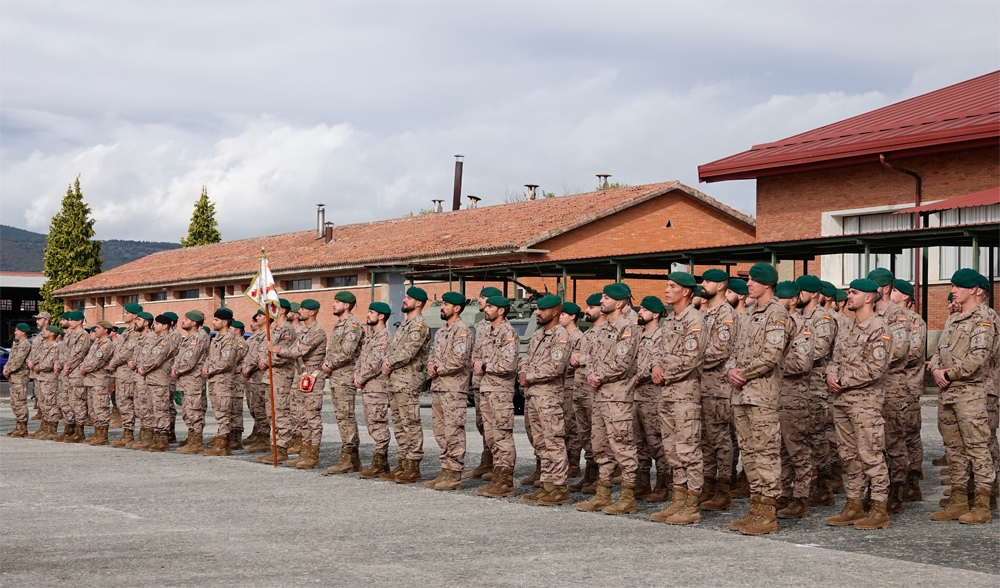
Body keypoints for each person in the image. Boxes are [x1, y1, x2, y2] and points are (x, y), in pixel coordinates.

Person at [726, 263, 794, 535]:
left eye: (753, 280)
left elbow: (771, 355)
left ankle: (768, 511)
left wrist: (742, 373)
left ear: (767, 284)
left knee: (766, 453)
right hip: (741, 394)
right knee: (750, 453)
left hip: (761, 394)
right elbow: (734, 349)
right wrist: (730, 369)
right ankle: (755, 507)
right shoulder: (747, 313)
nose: (749, 285)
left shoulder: (777, 314)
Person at [825, 278, 893, 530]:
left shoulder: (879, 327)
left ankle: (878, 507)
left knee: (871, 454)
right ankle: (854, 503)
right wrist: (831, 375)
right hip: (842, 401)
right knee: (848, 455)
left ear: (868, 298)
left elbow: (876, 367)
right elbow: (835, 357)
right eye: (848, 292)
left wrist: (843, 379)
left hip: (865, 403)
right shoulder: (847, 326)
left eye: (853, 292)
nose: (848, 296)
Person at [929, 269, 995, 524]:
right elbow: (939, 350)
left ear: (976, 290)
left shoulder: (983, 320)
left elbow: (978, 358)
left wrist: (948, 373)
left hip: (969, 395)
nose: (954, 290)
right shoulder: (954, 318)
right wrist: (935, 369)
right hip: (948, 394)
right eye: (953, 285)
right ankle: (958, 502)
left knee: (977, 449)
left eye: (959, 286)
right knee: (953, 450)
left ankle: (982, 504)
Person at [577, 283, 641, 515]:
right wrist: (591, 374)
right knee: (600, 446)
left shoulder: (629, 326)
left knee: (622, 445)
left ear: (620, 302)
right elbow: (591, 357)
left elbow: (623, 363)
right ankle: (602, 495)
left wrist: (599, 375)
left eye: (605, 298)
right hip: (600, 395)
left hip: (618, 396)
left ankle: (627, 497)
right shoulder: (604, 328)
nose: (601, 301)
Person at [648, 273, 706, 524]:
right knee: (672, 449)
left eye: (673, 286)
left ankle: (692, 504)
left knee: (688, 448)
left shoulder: (695, 319)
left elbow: (691, 358)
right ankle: (678, 499)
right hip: (667, 393)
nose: (667, 290)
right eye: (667, 285)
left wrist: (665, 372)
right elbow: (659, 351)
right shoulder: (670, 319)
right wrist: (656, 366)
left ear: (686, 292)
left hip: (684, 393)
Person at [867, 268, 912, 515]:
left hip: (892, 387)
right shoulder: (868, 314)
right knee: (873, 443)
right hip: (872, 389)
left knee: (893, 441)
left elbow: (899, 350)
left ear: (884, 288)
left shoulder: (897, 315)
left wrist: (867, 360)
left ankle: (896, 491)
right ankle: (874, 491)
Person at [520, 294, 572, 506]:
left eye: (542, 310)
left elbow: (555, 367)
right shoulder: (538, 334)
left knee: (554, 442)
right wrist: (523, 369)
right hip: (533, 396)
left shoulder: (561, 335)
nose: (537, 312)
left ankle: (559, 488)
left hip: (549, 397)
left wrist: (528, 376)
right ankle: (546, 486)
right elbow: (527, 357)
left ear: (554, 312)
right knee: (540, 443)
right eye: (537, 309)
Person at [795, 275, 839, 506]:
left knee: (817, 436)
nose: (797, 294)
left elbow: (819, 349)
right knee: (800, 436)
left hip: (815, 387)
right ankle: (806, 482)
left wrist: (791, 357)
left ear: (814, 294)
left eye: (801, 290)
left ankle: (823, 485)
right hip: (798, 386)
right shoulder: (797, 317)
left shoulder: (821, 318)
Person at [381, 287, 432, 483]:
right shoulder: (404, 325)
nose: (404, 300)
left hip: (408, 381)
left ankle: (413, 466)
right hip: (395, 381)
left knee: (410, 423)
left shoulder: (418, 325)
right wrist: (387, 362)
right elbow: (394, 348)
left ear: (418, 303)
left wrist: (389, 363)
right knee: (399, 424)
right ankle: (402, 463)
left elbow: (408, 352)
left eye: (409, 298)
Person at [424, 292, 474, 490]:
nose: (441, 307)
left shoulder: (462, 331)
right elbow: (433, 354)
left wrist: (437, 369)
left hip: (454, 390)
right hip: (438, 388)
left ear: (457, 308)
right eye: (442, 303)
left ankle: (454, 475)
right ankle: (445, 470)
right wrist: (430, 366)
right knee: (440, 431)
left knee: (453, 432)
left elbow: (459, 360)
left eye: (446, 304)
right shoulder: (442, 331)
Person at [270, 299, 327, 469]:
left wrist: (276, 350)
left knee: (311, 417)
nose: (299, 311)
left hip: (312, 378)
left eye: (303, 309)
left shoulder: (317, 331)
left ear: (312, 312)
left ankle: (313, 454)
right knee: (300, 416)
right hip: (300, 376)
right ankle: (305, 451)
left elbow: (298, 351)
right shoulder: (302, 330)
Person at [698, 269, 737, 511]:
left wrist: (689, 360)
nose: (702, 285)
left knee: (720, 440)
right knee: (705, 440)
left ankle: (725, 491)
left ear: (721, 285)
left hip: (718, 387)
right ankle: (709, 487)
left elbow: (719, 351)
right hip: (701, 386)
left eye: (707, 281)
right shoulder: (705, 313)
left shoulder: (726, 314)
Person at [774, 282, 814, 518]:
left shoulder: (802, 326)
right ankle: (784, 493)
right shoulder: (775, 324)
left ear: (792, 300)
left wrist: (771, 363)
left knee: (797, 449)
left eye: (780, 299)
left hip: (793, 397)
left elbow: (801, 363)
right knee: (780, 451)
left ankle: (801, 497)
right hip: (774, 395)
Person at [475, 295, 520, 498]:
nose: (486, 309)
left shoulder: (507, 332)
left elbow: (508, 364)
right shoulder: (488, 332)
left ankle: (506, 481)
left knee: (502, 435)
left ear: (501, 310)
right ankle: (498, 476)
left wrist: (485, 366)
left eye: (491, 306)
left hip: (500, 391)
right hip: (486, 389)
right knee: (492, 435)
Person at [890, 280, 928, 502]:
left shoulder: (915, 321)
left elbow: (913, 353)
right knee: (894, 436)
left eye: (895, 290)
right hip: (891, 387)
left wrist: (885, 358)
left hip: (908, 386)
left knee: (911, 434)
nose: (890, 293)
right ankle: (898, 478)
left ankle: (913, 481)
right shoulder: (884, 317)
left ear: (905, 297)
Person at [321, 291, 366, 474]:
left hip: (345, 376)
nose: (333, 304)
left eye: (337, 302)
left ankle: (348, 457)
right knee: (341, 417)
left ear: (346, 305)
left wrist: (329, 364)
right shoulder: (340, 325)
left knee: (345, 417)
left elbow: (347, 352)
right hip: (336, 376)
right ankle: (352, 459)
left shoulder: (352, 325)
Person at [567, 294, 606, 494]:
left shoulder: (608, 331)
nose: (587, 311)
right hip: (580, 391)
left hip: (594, 393)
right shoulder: (589, 333)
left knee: (599, 436)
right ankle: (589, 474)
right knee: (584, 436)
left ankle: (601, 477)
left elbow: (607, 356)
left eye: (591, 307)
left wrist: (582, 358)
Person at [633, 296, 669, 502]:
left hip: (652, 396)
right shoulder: (637, 334)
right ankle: (643, 482)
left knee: (656, 441)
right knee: (638, 443)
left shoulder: (661, 335)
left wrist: (640, 377)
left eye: (644, 309)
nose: (640, 311)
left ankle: (663, 484)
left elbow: (659, 362)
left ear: (655, 314)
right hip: (635, 396)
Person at [353, 302, 393, 479]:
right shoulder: (370, 337)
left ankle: (380, 460)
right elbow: (361, 359)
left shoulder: (384, 337)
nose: (367, 315)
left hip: (377, 388)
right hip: (367, 387)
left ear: (381, 316)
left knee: (378, 423)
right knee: (371, 423)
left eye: (371, 312)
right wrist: (356, 374)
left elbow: (375, 364)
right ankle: (380, 462)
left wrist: (360, 378)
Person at [467, 286, 504, 479]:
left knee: (495, 425)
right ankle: (487, 459)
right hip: (479, 380)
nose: (480, 301)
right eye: (481, 298)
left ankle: (499, 464)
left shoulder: (502, 326)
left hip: (493, 381)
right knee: (482, 422)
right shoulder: (481, 324)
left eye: (484, 298)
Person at [256, 299, 297, 464]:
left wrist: (266, 361)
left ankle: (282, 449)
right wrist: (263, 359)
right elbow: (264, 349)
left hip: (281, 378)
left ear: (281, 311)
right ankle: (275, 447)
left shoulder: (287, 330)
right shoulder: (274, 329)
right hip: (270, 377)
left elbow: (282, 354)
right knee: (271, 414)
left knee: (281, 414)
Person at [137, 314, 180, 452]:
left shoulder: (166, 341)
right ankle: (156, 438)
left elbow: (156, 360)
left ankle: (162, 440)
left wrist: (143, 368)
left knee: (161, 410)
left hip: (161, 381)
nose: (154, 325)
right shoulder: (157, 339)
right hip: (152, 380)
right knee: (152, 410)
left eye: (157, 323)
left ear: (165, 326)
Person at [202, 309, 241, 457]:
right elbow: (210, 357)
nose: (213, 322)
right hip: (214, 380)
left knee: (223, 413)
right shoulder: (217, 338)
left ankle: (223, 445)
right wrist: (206, 367)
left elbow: (226, 361)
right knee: (219, 413)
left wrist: (210, 369)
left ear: (225, 322)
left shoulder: (229, 339)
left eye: (216, 320)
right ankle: (221, 441)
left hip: (223, 381)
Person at [172, 310, 211, 453]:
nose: (183, 321)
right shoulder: (190, 337)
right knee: (187, 411)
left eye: (186, 319)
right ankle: (192, 439)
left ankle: (196, 443)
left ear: (194, 323)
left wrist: (176, 371)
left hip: (193, 380)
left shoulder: (199, 337)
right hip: (186, 380)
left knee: (194, 411)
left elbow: (190, 361)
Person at [109, 303, 143, 447]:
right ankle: (126, 433)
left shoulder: (135, 332)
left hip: (127, 373)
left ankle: (129, 434)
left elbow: (127, 351)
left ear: (135, 316)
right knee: (122, 404)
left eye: (128, 313)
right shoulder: (127, 331)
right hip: (121, 373)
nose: (125, 315)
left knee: (127, 404)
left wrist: (114, 362)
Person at [57, 310, 91, 443]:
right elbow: (64, 352)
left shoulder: (83, 335)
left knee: (77, 401)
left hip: (75, 372)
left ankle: (79, 430)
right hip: (66, 371)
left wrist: (68, 366)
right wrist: (60, 364)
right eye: (69, 320)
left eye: (71, 320)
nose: (69, 322)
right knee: (66, 400)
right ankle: (69, 427)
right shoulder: (70, 335)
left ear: (79, 321)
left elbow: (78, 354)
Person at [80, 321, 115, 445]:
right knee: (93, 408)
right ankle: (97, 433)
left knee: (101, 407)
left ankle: (103, 435)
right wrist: (83, 366)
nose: (95, 329)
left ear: (105, 330)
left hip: (99, 380)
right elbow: (87, 359)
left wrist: (85, 368)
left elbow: (97, 361)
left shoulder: (106, 344)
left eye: (98, 328)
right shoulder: (96, 343)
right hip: (91, 380)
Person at [559, 302, 584, 479]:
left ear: (572, 317)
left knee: (571, 424)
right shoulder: (560, 335)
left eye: (563, 314)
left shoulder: (577, 337)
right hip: (559, 386)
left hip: (571, 385)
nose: (559, 317)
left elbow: (576, 363)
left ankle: (574, 462)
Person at [240, 311, 271, 451]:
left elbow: (259, 356)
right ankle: (259, 436)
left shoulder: (268, 335)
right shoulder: (255, 337)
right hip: (251, 377)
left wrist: (248, 368)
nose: (256, 318)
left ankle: (264, 439)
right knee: (254, 408)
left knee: (261, 409)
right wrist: (244, 367)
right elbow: (247, 356)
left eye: (259, 316)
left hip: (259, 376)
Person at [29, 325, 63, 439]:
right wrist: (32, 362)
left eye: (47, 330)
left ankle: (52, 430)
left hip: (49, 379)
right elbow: (38, 357)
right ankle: (45, 428)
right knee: (43, 404)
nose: (44, 332)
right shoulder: (45, 345)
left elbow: (49, 362)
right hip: (42, 378)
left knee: (50, 403)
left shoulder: (55, 346)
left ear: (53, 334)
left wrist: (38, 367)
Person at [4, 323, 33, 437]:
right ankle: (18, 427)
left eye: (17, 331)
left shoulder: (25, 344)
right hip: (14, 377)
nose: (15, 332)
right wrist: (6, 368)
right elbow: (11, 359)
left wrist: (8, 370)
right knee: (14, 402)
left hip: (20, 377)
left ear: (23, 332)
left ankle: (23, 428)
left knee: (20, 402)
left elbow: (18, 361)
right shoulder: (17, 344)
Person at [26, 311, 53, 422]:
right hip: (35, 369)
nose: (37, 321)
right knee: (38, 394)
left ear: (46, 321)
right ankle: (41, 414)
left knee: (46, 397)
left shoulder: (50, 334)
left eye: (39, 319)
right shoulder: (38, 335)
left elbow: (46, 352)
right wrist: (29, 361)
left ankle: (48, 421)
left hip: (43, 369)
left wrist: (34, 361)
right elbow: (33, 351)